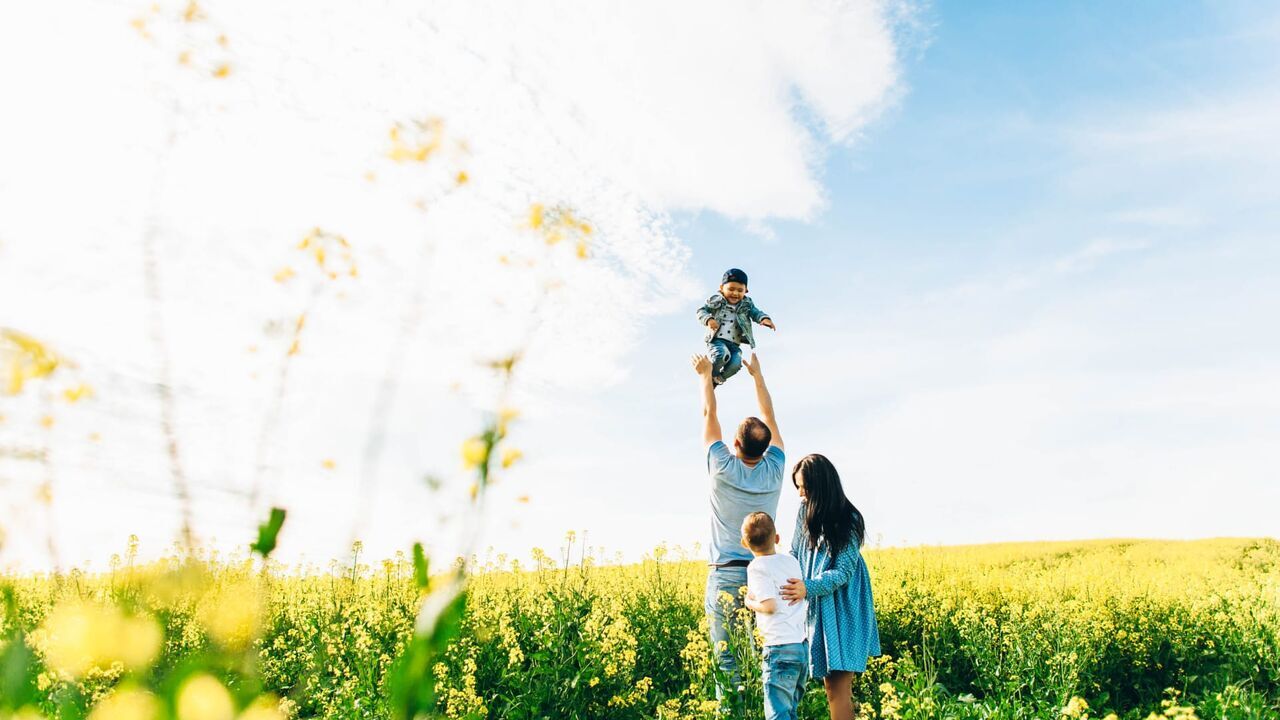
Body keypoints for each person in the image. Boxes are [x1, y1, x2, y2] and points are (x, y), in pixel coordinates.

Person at [691, 351, 785, 703]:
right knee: (767, 653)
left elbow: (708, 413)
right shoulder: (775, 468)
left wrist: (705, 376)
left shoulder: (720, 465)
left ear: (735, 444)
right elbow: (769, 417)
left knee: (726, 659)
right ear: (765, 447)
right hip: (765, 572)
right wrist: (757, 375)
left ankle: (732, 712)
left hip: (725, 574)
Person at [779, 454, 880, 720]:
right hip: (817, 602)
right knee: (831, 687)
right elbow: (794, 551)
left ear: (821, 485)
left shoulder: (850, 518)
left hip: (844, 605)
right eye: (798, 487)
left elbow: (842, 572)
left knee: (837, 688)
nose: (801, 493)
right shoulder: (805, 511)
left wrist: (806, 588)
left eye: (805, 487)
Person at [741, 511, 809, 720]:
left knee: (777, 714)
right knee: (790, 711)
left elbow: (769, 606)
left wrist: (750, 603)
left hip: (779, 649)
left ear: (745, 544)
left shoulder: (757, 567)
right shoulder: (791, 562)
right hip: (800, 647)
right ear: (777, 538)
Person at [695, 268, 776, 386]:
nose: (735, 293)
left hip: (734, 344)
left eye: (740, 290)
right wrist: (709, 319)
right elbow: (701, 310)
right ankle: (709, 376)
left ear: (746, 290)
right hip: (717, 340)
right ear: (722, 288)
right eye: (731, 289)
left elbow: (755, 312)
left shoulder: (747, 304)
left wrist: (764, 319)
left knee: (736, 364)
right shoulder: (717, 300)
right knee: (721, 355)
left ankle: (717, 380)